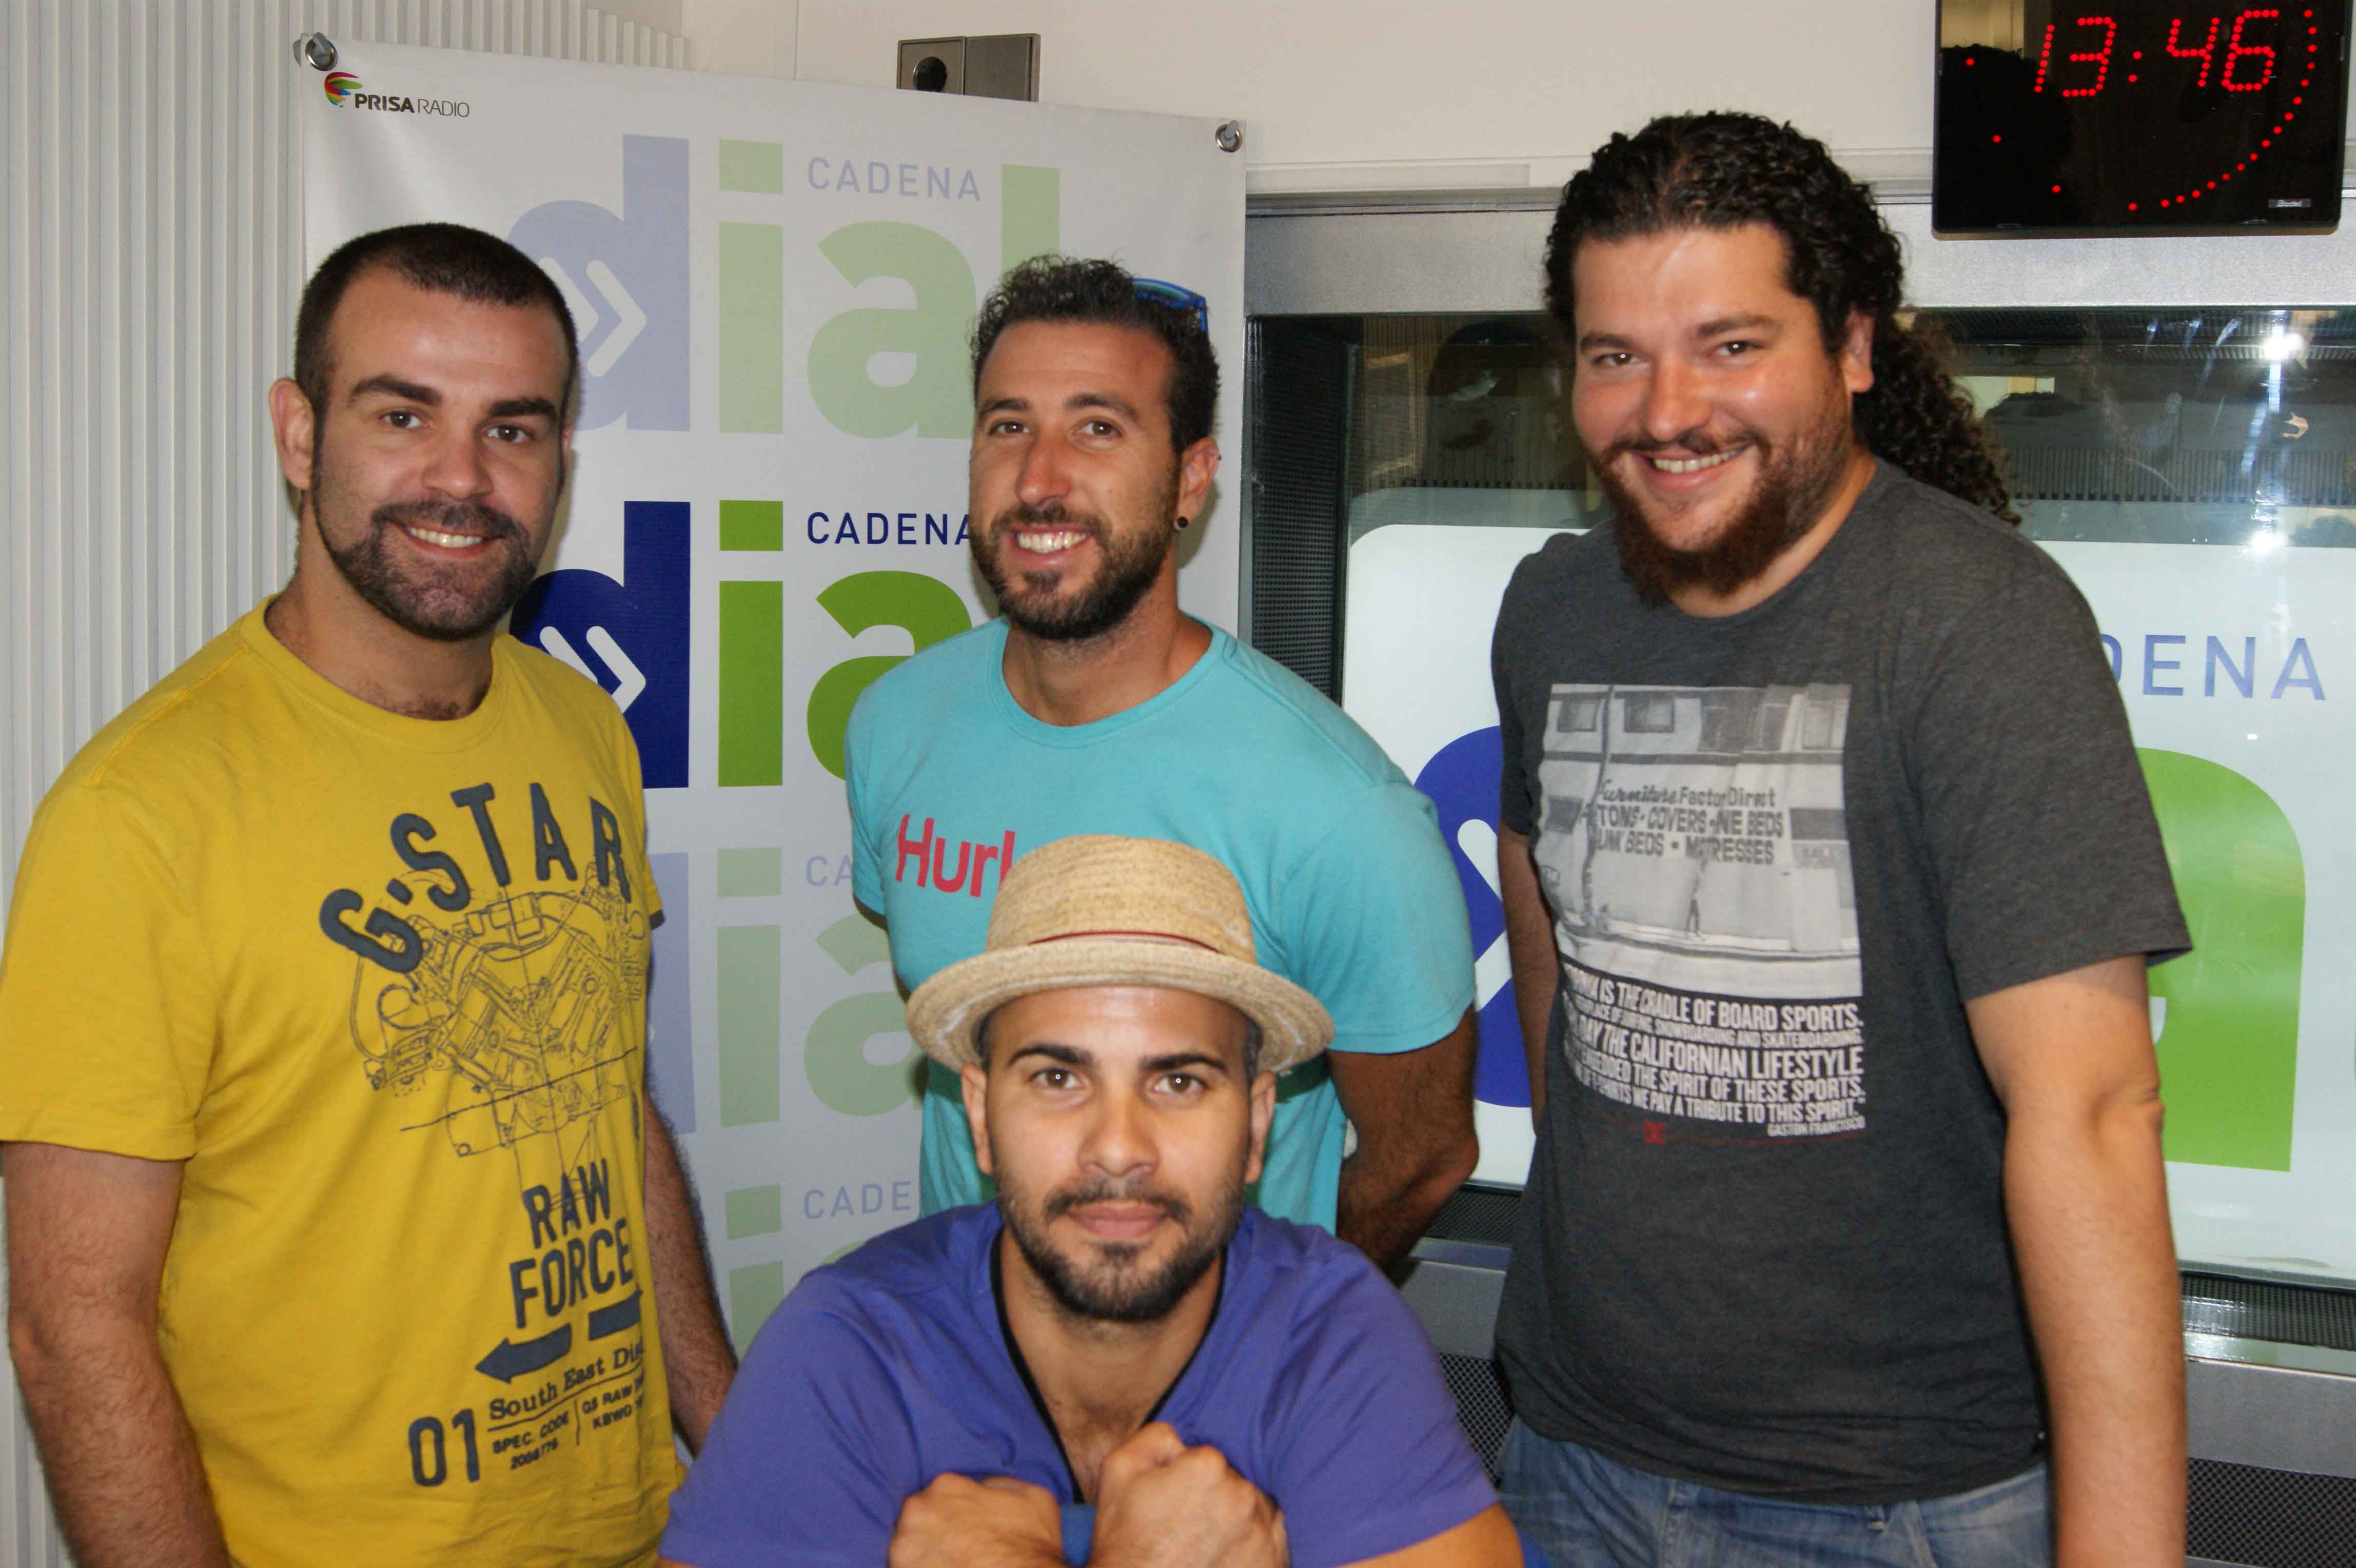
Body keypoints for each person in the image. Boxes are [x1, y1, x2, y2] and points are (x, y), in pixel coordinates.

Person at [1489, 113, 2192, 1565]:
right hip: (1568, 1452)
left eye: (1731, 346)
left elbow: (2094, 1117)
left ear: (1854, 347)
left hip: (1891, 1505)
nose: (1666, 410)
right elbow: (1540, 880)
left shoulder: (1982, 627)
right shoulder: (1551, 610)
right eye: (1617, 355)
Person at [0, 223, 735, 1566]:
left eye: (512, 429)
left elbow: (605, 1096)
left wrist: (735, 1442)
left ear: (562, 460)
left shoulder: (584, 731)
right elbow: (72, 1325)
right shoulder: (139, 816)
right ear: (300, 435)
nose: (461, 477)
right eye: (404, 415)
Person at [846, 256, 1479, 1270]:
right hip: (964, 1339)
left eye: (1098, 428)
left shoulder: (1339, 811)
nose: (1039, 479)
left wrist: (1261, 1320)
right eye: (1008, 425)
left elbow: (1422, 1157)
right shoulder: (897, 723)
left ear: (1190, 479)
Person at [658, 835, 1524, 1568]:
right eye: (1058, 1078)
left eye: (1179, 1081)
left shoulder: (1328, 1335)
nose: (1117, 1147)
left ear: (1258, 1123)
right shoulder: (852, 1349)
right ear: (980, 1115)